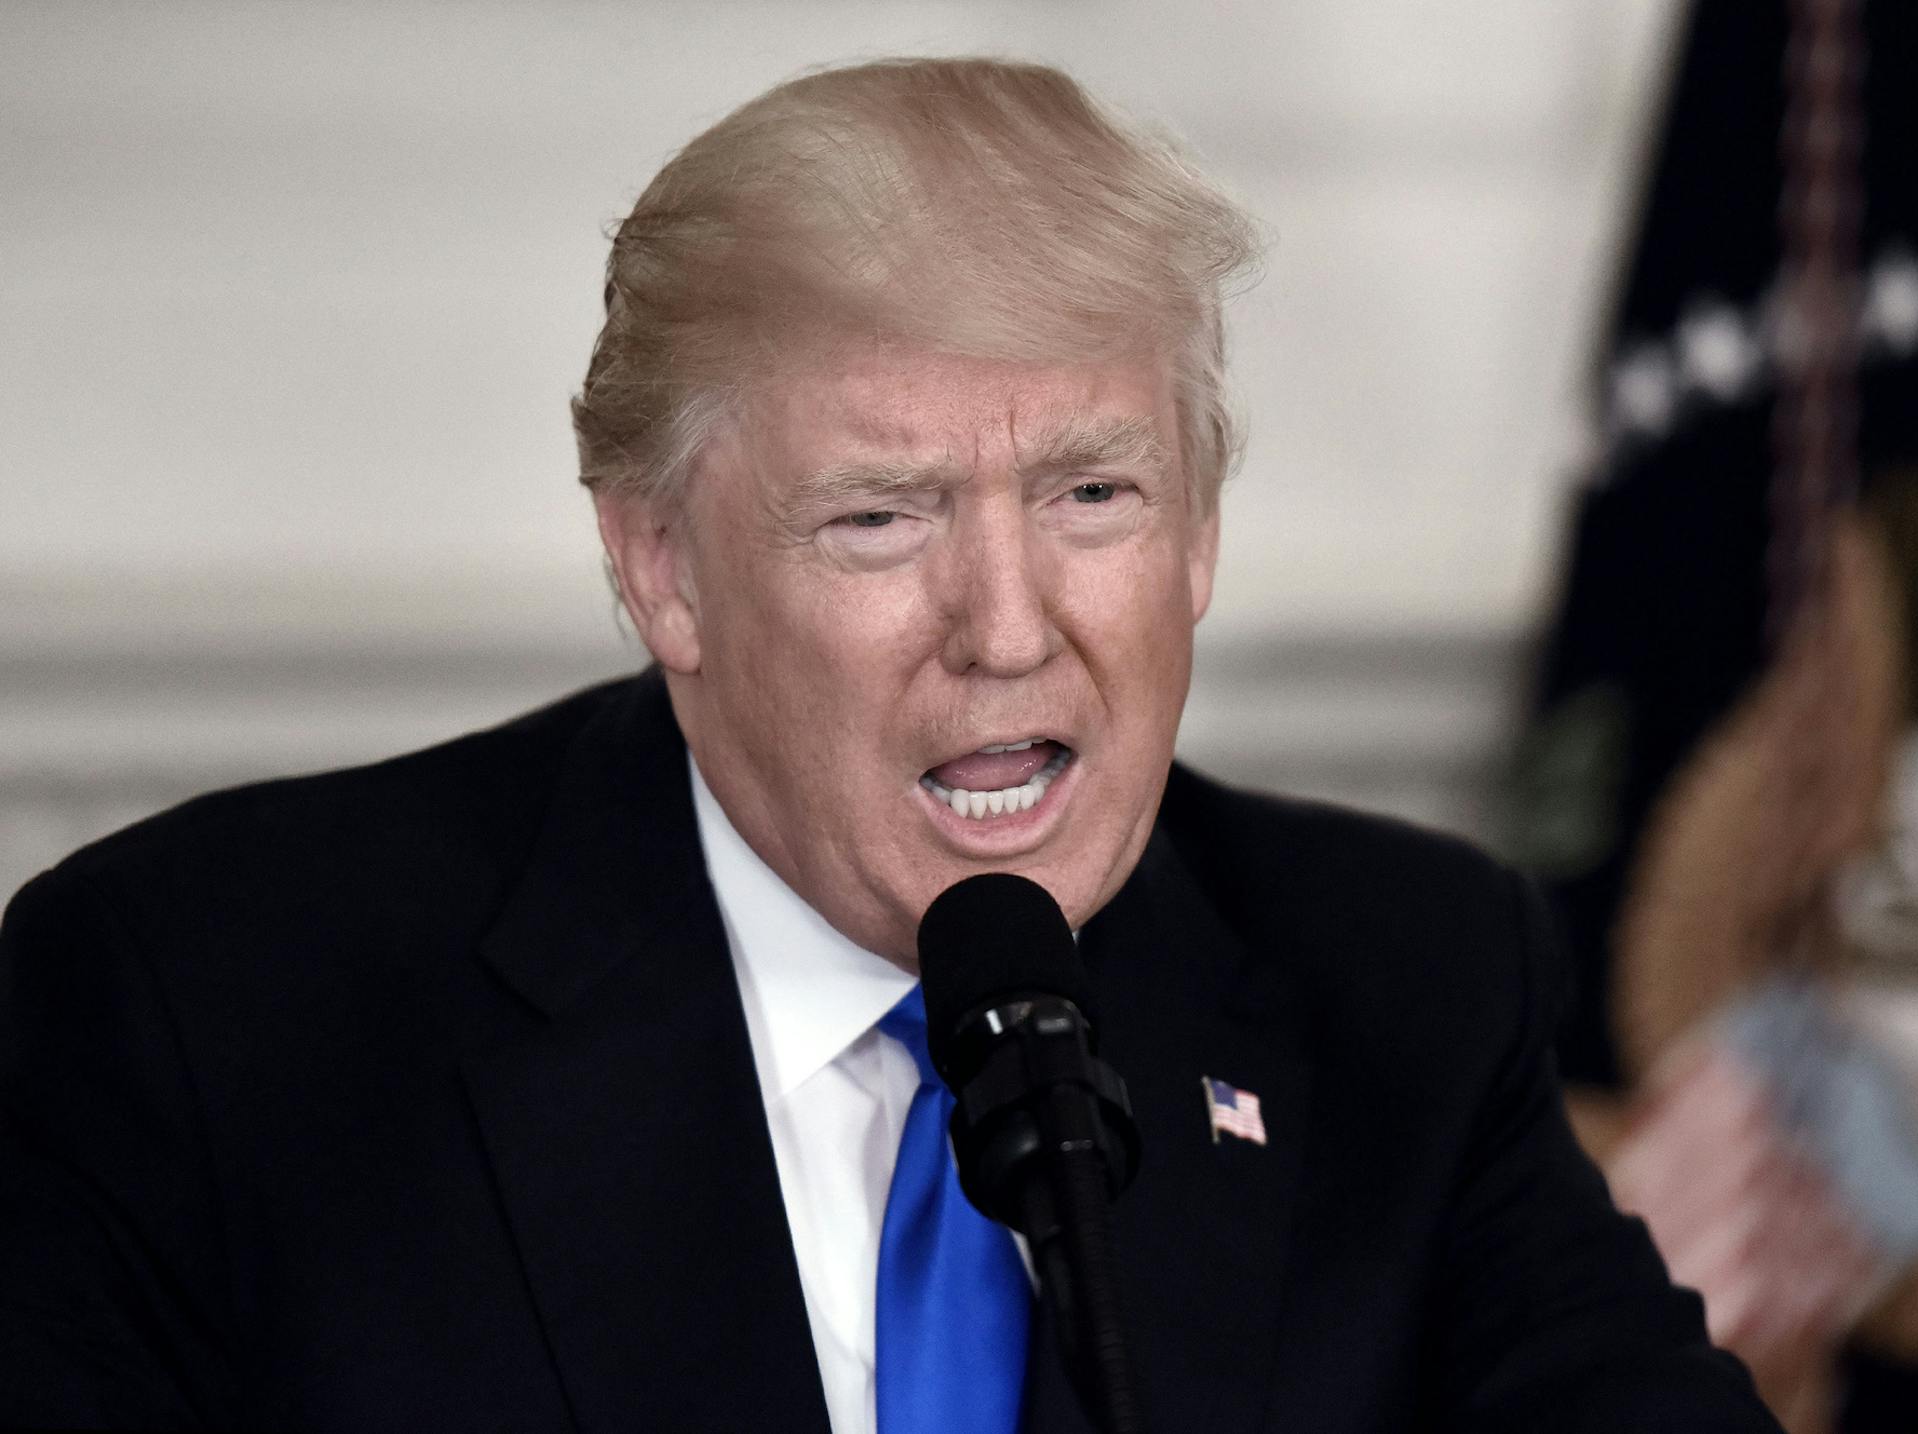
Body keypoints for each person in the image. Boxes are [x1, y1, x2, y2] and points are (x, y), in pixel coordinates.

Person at [0, 58, 1778, 1433]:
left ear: (1202, 533)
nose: (1008, 626)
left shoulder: (1393, 985)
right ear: (659, 566)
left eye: (1094, 492)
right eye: (880, 517)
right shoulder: (209, 1012)